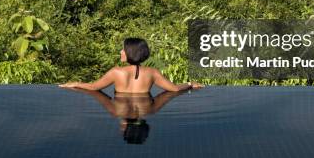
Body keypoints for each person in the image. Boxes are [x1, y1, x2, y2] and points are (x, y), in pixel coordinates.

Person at [58, 37, 204, 93]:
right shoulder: (152, 73)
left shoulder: (116, 72)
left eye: (124, 49)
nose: (121, 51)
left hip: (121, 104)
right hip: (144, 107)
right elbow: (174, 89)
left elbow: (93, 87)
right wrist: (189, 84)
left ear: (130, 52)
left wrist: (75, 83)